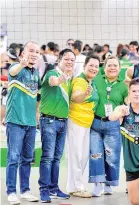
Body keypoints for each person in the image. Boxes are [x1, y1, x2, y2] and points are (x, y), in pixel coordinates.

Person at [38, 48, 75, 202]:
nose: (70, 62)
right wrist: (61, 79)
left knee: (57, 158)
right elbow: (53, 82)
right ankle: (44, 190)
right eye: (66, 59)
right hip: (49, 121)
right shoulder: (52, 73)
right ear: (59, 59)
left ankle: (53, 188)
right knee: (47, 157)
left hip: (62, 122)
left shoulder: (70, 78)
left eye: (72, 60)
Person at [6, 41, 41, 204]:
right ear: (23, 54)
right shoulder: (16, 69)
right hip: (15, 121)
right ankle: (11, 192)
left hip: (30, 123)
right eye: (31, 51)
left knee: (27, 158)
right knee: (13, 157)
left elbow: (37, 96)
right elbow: (12, 71)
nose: (34, 54)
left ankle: (25, 190)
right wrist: (21, 64)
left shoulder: (36, 73)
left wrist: (36, 116)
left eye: (37, 52)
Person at [89, 55, 128, 196]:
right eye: (109, 65)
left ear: (119, 69)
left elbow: (127, 102)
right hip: (95, 122)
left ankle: (109, 184)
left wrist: (124, 111)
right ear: (104, 68)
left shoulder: (123, 85)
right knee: (95, 153)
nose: (112, 68)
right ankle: (97, 184)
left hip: (113, 124)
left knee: (112, 155)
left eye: (115, 66)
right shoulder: (96, 80)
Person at [66, 55, 100, 198]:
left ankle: (73, 186)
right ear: (84, 66)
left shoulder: (91, 82)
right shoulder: (80, 81)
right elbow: (75, 97)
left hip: (87, 123)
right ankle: (78, 187)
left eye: (96, 66)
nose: (93, 68)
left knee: (82, 156)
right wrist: (84, 94)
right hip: (76, 121)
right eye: (91, 65)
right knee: (76, 155)